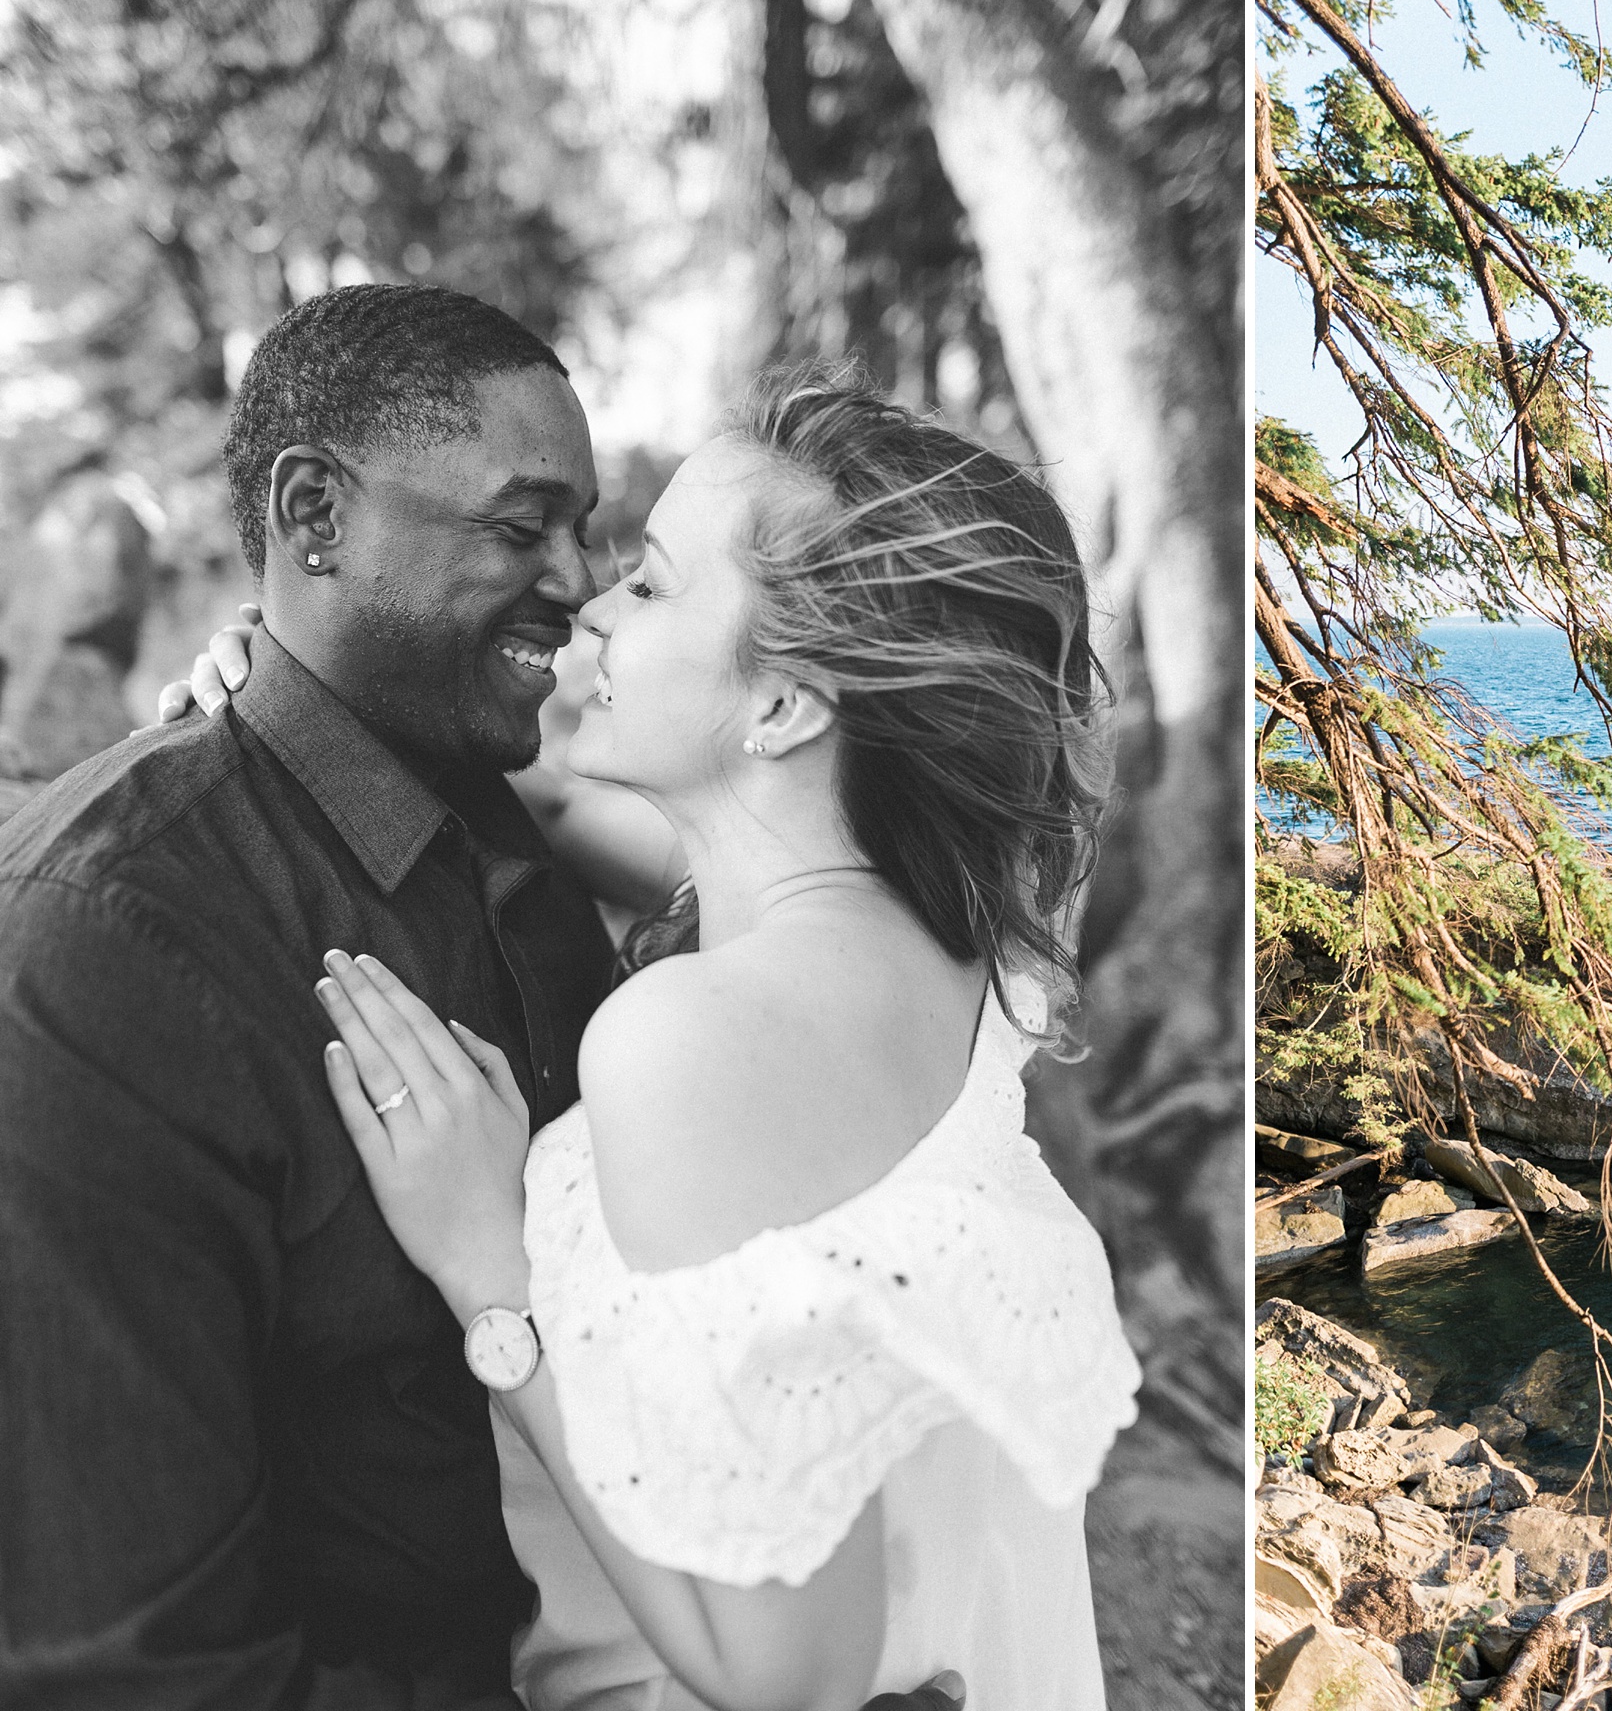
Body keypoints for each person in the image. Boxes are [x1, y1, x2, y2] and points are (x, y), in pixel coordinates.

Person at [0, 284, 979, 1710]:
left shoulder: (526, 827)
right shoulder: (109, 954)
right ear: (315, 516)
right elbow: (136, 1673)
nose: (578, 581)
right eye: (522, 529)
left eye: (597, 538)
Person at [175, 358, 1141, 1708]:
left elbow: (790, 1674)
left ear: (787, 703)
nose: (592, 600)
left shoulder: (688, 1041)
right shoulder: (958, 948)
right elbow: (575, 816)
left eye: (655, 581)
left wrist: (491, 1280)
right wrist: (287, 678)